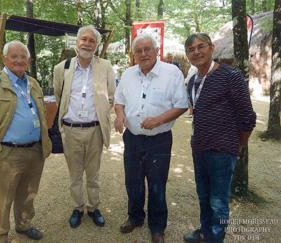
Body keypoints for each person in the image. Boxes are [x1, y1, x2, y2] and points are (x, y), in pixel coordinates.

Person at [0, 40, 52, 243]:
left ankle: (24, 224)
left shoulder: (33, 83)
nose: (19, 60)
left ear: (28, 60)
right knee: (3, 198)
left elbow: (41, 114)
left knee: (28, 193)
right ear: (5, 59)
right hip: (7, 152)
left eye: (22, 57)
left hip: (34, 151)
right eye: (14, 56)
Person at [183, 33, 256, 243]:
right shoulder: (193, 82)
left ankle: (215, 239)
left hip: (222, 152)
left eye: (201, 46)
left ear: (212, 48)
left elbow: (247, 117)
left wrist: (239, 144)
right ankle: (205, 232)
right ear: (188, 55)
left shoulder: (230, 76)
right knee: (204, 197)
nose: (196, 52)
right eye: (191, 49)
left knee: (219, 203)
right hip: (199, 149)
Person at [114, 33, 188, 243]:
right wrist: (119, 116)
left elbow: (181, 104)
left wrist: (158, 120)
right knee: (133, 181)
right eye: (139, 50)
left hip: (159, 139)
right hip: (133, 138)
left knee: (157, 183)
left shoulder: (171, 72)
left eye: (148, 49)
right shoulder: (128, 74)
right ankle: (135, 217)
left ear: (157, 51)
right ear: (134, 54)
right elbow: (119, 100)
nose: (144, 54)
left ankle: (157, 227)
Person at [53, 25, 115, 229]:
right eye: (84, 39)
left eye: (92, 41)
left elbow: (111, 95)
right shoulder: (62, 68)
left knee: (94, 174)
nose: (87, 44)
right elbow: (59, 96)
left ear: (96, 46)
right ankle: (78, 207)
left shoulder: (105, 66)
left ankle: (93, 207)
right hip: (71, 130)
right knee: (75, 174)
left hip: (95, 129)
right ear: (77, 42)